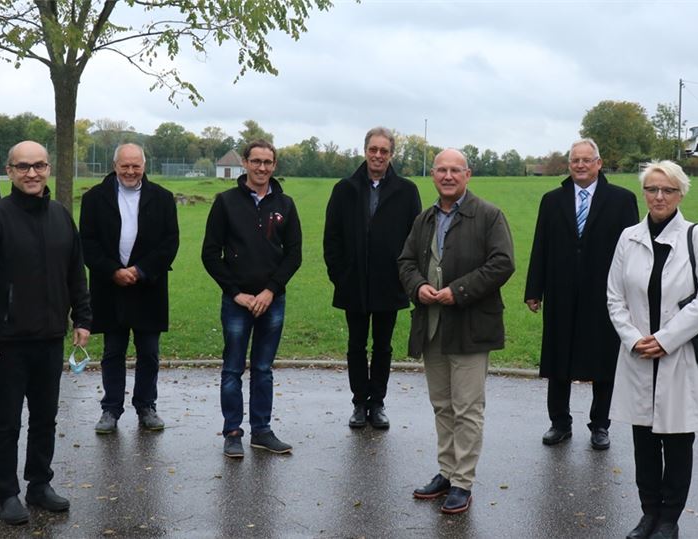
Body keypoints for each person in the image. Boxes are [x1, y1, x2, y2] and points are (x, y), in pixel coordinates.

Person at [0, 141, 92, 525]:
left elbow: (75, 272)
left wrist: (83, 318)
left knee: (45, 417)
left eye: (38, 166)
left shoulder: (60, 216)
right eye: (23, 167)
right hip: (7, 341)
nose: (31, 173)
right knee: (7, 421)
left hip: (50, 338)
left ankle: (39, 483)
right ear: (10, 171)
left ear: (49, 168)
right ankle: (7, 493)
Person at [606, 160, 698, 539]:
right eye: (652, 189)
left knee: (676, 440)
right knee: (643, 440)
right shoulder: (629, 238)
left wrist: (667, 339)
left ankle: (669, 519)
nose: (659, 196)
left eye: (667, 190)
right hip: (639, 354)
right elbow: (614, 296)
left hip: (679, 355)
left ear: (681, 193)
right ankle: (648, 514)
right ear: (644, 192)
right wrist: (633, 337)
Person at [398, 148, 514, 515]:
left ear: (468, 174)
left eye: (455, 170)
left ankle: (463, 482)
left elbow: (502, 263)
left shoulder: (488, 215)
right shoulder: (425, 218)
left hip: (470, 327)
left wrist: (458, 291)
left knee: (467, 408)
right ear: (433, 174)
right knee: (442, 405)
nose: (447, 176)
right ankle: (446, 472)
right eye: (441, 170)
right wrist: (418, 287)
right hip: (432, 327)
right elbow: (405, 261)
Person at [524, 138, 639, 450]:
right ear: (569, 164)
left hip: (605, 294)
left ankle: (600, 425)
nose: (581, 165)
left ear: (599, 164)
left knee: (604, 359)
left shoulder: (621, 200)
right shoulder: (552, 200)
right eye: (576, 160)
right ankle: (559, 422)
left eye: (587, 160)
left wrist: (632, 294)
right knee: (559, 356)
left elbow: (633, 253)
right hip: (560, 290)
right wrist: (534, 289)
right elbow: (540, 246)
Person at [201, 139, 302, 458]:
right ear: (245, 162)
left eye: (268, 162)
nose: (262, 167)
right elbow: (210, 254)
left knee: (263, 368)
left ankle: (262, 430)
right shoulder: (226, 202)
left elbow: (294, 255)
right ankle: (232, 431)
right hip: (237, 302)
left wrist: (271, 290)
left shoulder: (285, 205)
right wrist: (237, 293)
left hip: (272, 300)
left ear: (275, 166)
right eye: (256, 161)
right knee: (232, 369)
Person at [323, 127, 421, 429]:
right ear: (365, 151)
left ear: (391, 155)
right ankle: (358, 402)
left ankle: (377, 403)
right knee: (356, 345)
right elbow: (332, 237)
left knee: (383, 346)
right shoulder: (345, 189)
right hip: (354, 283)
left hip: (389, 283)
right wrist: (340, 275)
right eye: (373, 150)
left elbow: (414, 239)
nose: (378, 156)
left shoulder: (406, 191)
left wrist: (405, 277)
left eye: (384, 151)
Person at [80, 143, 180, 434]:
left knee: (149, 352)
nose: (130, 171)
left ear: (144, 166)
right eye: (125, 165)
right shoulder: (94, 198)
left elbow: (169, 242)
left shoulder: (162, 198)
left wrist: (140, 270)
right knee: (113, 351)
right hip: (109, 287)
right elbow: (87, 242)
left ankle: (146, 405)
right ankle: (111, 409)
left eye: (136, 165)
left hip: (148, 286)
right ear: (115, 166)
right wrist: (113, 270)